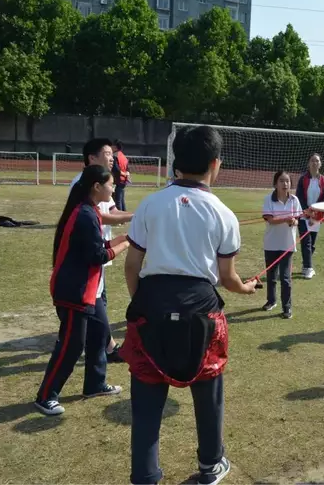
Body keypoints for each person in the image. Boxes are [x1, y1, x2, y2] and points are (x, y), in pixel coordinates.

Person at [121, 125, 258, 485]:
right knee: (208, 389)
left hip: (151, 304)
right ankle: (211, 465)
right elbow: (227, 276)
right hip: (202, 312)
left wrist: (145, 303)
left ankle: (145, 475)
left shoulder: (150, 204)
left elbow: (132, 265)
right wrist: (245, 289)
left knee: (147, 399)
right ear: (216, 164)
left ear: (176, 162)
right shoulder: (223, 213)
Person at [35, 165, 129, 416]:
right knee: (71, 345)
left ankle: (95, 384)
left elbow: (96, 246)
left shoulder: (90, 212)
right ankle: (46, 395)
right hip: (74, 290)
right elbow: (97, 255)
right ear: (97, 187)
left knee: (99, 334)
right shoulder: (85, 214)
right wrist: (125, 245)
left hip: (89, 289)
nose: (114, 188)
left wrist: (120, 239)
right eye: (111, 184)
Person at [71, 138, 134, 363]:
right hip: (92, 254)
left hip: (102, 249)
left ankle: (103, 346)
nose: (112, 157)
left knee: (99, 302)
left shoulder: (106, 181)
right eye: (107, 153)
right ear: (92, 158)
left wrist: (128, 219)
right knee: (95, 303)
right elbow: (100, 215)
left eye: (111, 153)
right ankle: (104, 347)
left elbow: (113, 211)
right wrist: (135, 217)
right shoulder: (81, 183)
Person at [262, 171, 303, 319]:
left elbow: (298, 219)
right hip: (271, 244)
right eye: (281, 181)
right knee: (271, 276)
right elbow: (270, 220)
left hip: (287, 245)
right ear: (275, 184)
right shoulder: (268, 199)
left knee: (285, 278)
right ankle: (271, 301)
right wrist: (287, 219)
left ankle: (287, 307)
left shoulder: (294, 200)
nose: (285, 184)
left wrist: (294, 221)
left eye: (287, 181)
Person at [296, 154, 324, 280]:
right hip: (304, 215)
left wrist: (316, 213)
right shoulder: (303, 179)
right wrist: (307, 212)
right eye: (312, 161)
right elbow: (299, 197)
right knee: (306, 241)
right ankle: (309, 268)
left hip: (317, 216)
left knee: (312, 243)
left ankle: (305, 265)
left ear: (320, 164)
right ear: (308, 164)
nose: (315, 163)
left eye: (317, 161)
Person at [111, 139, 130, 211]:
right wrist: (126, 174)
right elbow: (128, 168)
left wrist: (123, 173)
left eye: (111, 146)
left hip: (119, 179)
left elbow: (115, 168)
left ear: (115, 147)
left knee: (117, 199)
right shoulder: (123, 156)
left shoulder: (115, 156)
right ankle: (124, 214)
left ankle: (120, 218)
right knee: (121, 199)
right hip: (123, 180)